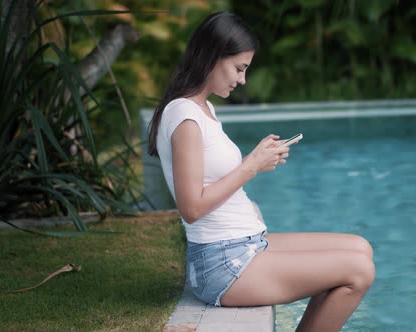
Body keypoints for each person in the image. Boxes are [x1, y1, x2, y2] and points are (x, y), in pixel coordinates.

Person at [147, 11, 375, 332]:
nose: (242, 80)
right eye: (239, 68)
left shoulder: (203, 109)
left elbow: (213, 177)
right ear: (213, 56)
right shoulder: (185, 118)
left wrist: (258, 160)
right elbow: (192, 207)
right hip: (223, 264)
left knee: (360, 247)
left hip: (244, 244)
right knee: (359, 270)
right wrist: (252, 166)